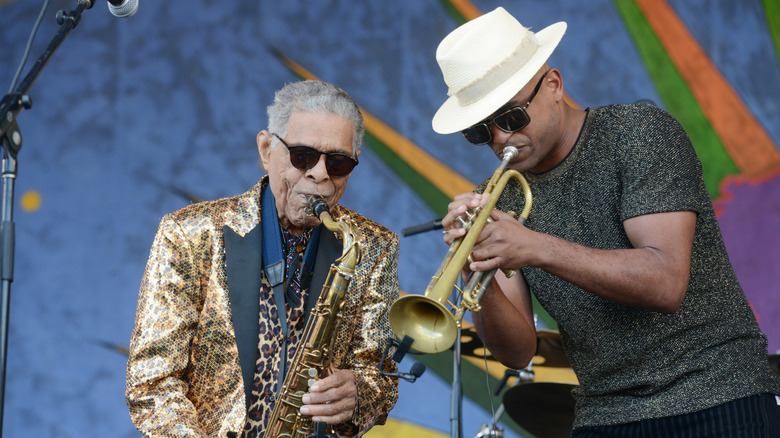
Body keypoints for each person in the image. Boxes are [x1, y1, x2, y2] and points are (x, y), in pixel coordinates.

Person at [433, 7, 780, 437]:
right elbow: (517, 353)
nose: (501, 138)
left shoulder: (637, 134)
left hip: (718, 393)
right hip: (605, 413)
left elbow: (665, 282)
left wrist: (535, 246)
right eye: (480, 131)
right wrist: (472, 267)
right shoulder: (497, 197)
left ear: (554, 85)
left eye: (511, 117)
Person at [126, 80, 400, 437]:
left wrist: (359, 394)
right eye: (302, 155)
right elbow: (152, 380)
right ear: (267, 149)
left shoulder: (372, 246)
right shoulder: (188, 235)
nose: (319, 173)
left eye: (338, 162)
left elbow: (381, 376)